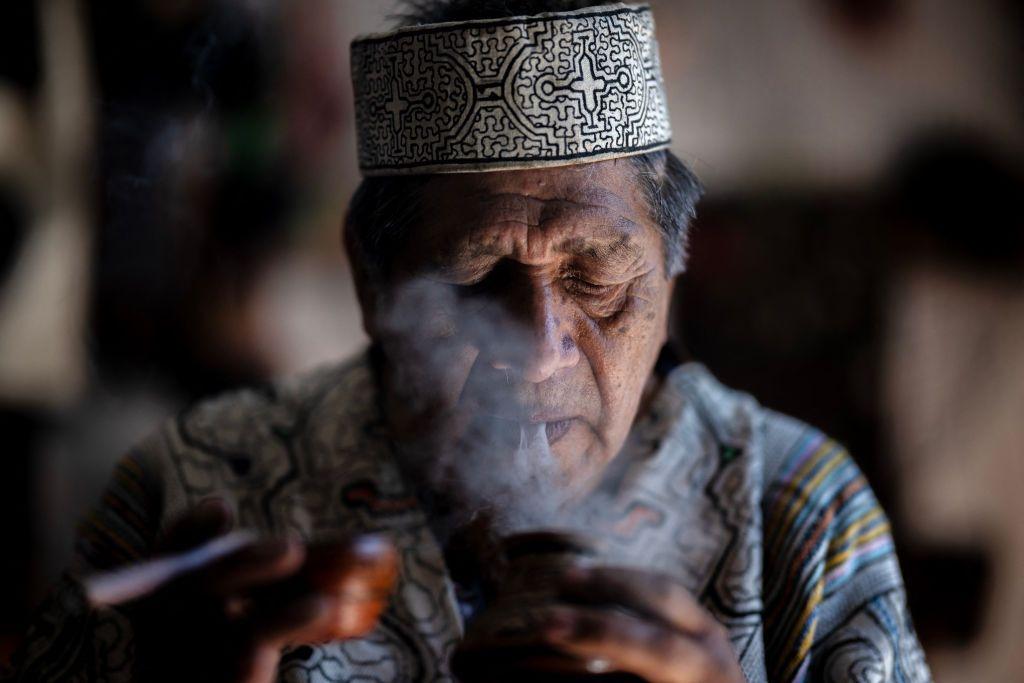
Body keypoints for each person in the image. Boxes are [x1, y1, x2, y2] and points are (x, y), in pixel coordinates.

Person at [6, 1, 931, 681]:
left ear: (672, 271)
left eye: (596, 280)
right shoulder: (198, 487)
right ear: (372, 283)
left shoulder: (796, 512)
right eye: (468, 281)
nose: (538, 352)